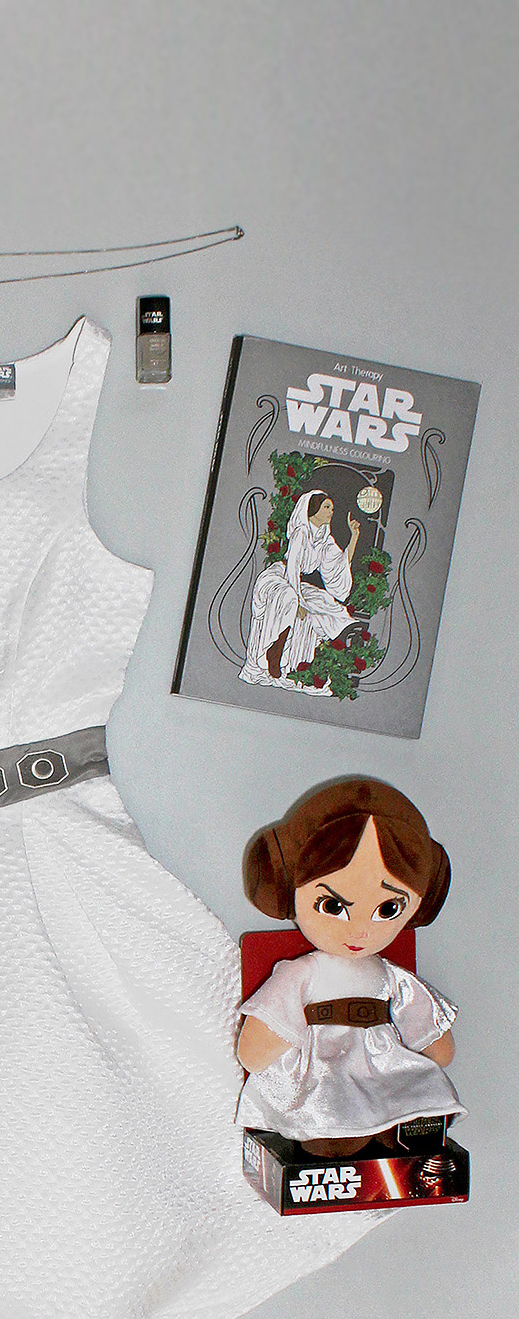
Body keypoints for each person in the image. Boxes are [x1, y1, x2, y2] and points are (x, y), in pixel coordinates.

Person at [235, 778, 462, 1156]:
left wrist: (432, 1044)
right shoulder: (304, 973)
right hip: (326, 1063)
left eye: (387, 909)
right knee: (331, 1104)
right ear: (283, 883)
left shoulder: (389, 976)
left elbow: (427, 1029)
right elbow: (265, 1034)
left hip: (382, 1058)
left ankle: (404, 1123)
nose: (360, 930)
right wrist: (262, 1050)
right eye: (333, 906)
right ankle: (335, 1133)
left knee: (414, 1090)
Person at [240, 490, 358, 687]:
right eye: (326, 507)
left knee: (328, 604)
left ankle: (303, 662)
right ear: (313, 509)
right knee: (289, 598)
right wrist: (299, 602)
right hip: (280, 577)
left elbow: (339, 566)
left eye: (332, 508)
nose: (331, 511)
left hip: (297, 582)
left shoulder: (325, 538)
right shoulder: (301, 532)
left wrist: (354, 537)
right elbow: (293, 568)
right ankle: (274, 652)